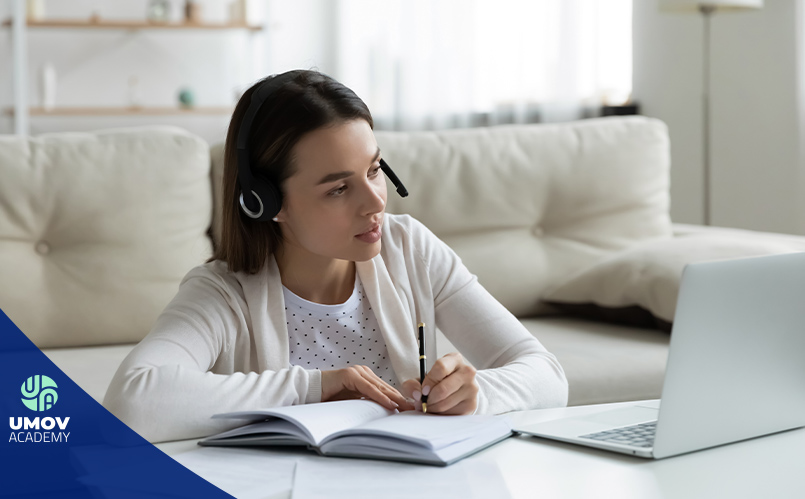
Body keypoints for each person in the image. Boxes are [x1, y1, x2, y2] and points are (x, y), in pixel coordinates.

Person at [103, 69, 568, 443]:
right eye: (339, 188)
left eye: (374, 170)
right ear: (267, 203)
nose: (376, 203)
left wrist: (475, 393)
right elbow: (134, 402)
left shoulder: (411, 249)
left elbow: (548, 377)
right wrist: (314, 387)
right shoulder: (224, 293)